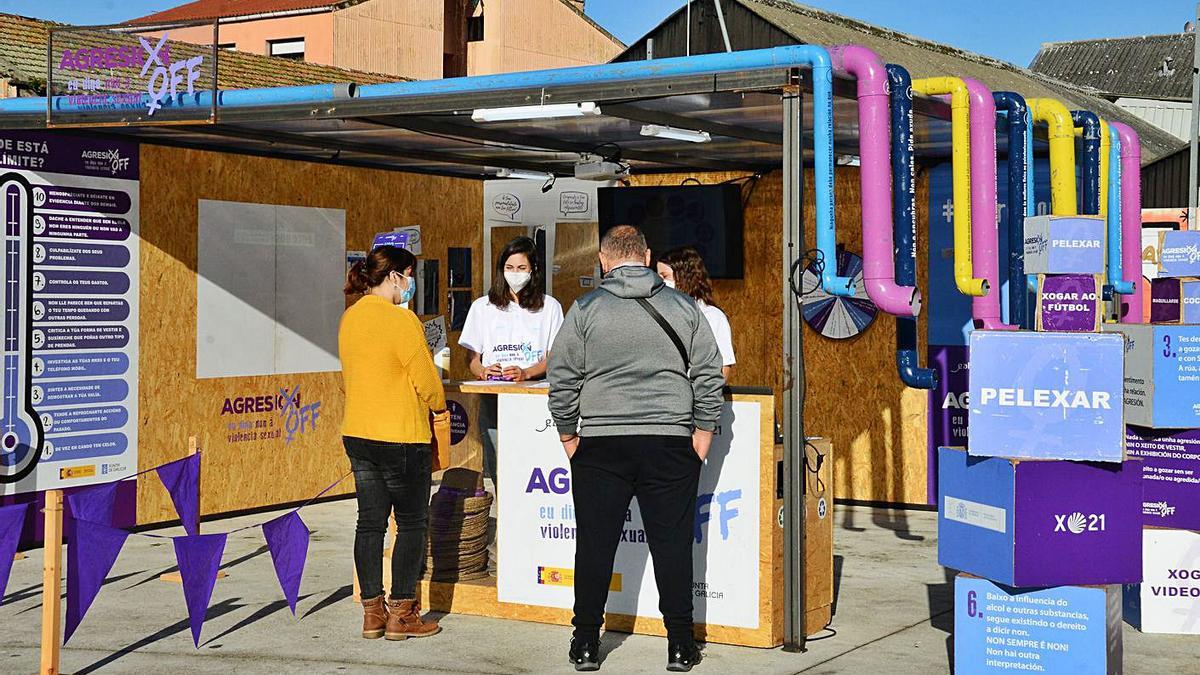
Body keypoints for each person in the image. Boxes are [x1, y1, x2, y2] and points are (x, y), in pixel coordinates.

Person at [548, 225, 724, 672]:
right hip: (669, 442)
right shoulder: (684, 307)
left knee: (593, 546)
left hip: (602, 443)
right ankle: (681, 644)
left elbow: (563, 377)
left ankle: (585, 641)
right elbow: (708, 372)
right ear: (645, 256)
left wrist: (569, 434)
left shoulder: (585, 308)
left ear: (605, 261)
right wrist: (703, 431)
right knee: (673, 545)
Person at [340, 245, 446, 641]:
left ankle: (372, 613)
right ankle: (403, 613)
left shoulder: (350, 318)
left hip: (358, 432)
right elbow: (429, 384)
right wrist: (438, 406)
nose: (411, 285)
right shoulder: (402, 322)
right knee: (411, 524)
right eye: (409, 275)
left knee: (369, 524)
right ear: (396, 276)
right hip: (402, 436)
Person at [459, 235, 564, 383]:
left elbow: (555, 357)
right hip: (493, 390)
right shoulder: (482, 307)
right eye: (509, 268)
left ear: (532, 269)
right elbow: (472, 358)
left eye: (521, 268)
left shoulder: (550, 307)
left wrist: (526, 373)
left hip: (534, 388)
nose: (515, 273)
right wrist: (483, 371)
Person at [657, 246, 736, 381]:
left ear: (684, 276)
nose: (660, 282)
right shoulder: (661, 314)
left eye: (664, 276)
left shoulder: (712, 317)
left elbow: (723, 369)